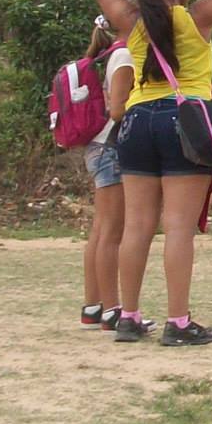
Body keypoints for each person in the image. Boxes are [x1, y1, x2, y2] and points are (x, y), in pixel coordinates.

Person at [96, 0, 212, 347]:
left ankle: (129, 318)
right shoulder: (196, 17)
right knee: (179, 228)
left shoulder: (133, 22)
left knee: (137, 226)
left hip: (135, 121)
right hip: (183, 121)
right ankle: (178, 322)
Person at [78, 17, 127, 330]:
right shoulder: (124, 56)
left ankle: (93, 304)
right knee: (112, 231)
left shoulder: (109, 56)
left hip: (98, 146)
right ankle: (112, 309)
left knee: (100, 229)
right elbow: (118, 110)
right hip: (112, 147)